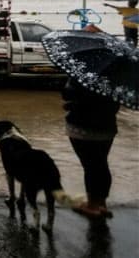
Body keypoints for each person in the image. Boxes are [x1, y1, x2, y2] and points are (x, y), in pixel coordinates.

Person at [62, 78, 120, 219]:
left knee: (90, 166)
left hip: (82, 127)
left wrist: (69, 105)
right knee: (101, 163)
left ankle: (92, 206)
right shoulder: (117, 78)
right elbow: (116, 104)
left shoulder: (82, 74)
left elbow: (67, 95)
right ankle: (101, 204)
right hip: (107, 128)